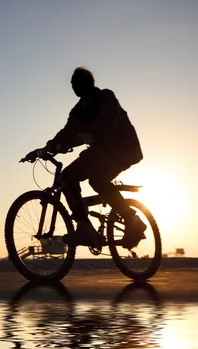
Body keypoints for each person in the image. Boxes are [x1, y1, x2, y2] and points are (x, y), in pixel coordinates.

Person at [24, 66, 146, 248]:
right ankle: (83, 226)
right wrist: (45, 149)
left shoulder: (106, 97)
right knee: (67, 177)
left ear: (88, 83)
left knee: (98, 180)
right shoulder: (78, 111)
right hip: (101, 152)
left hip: (123, 150)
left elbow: (105, 124)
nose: (73, 86)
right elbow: (67, 133)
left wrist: (84, 135)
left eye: (77, 83)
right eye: (72, 83)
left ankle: (133, 221)